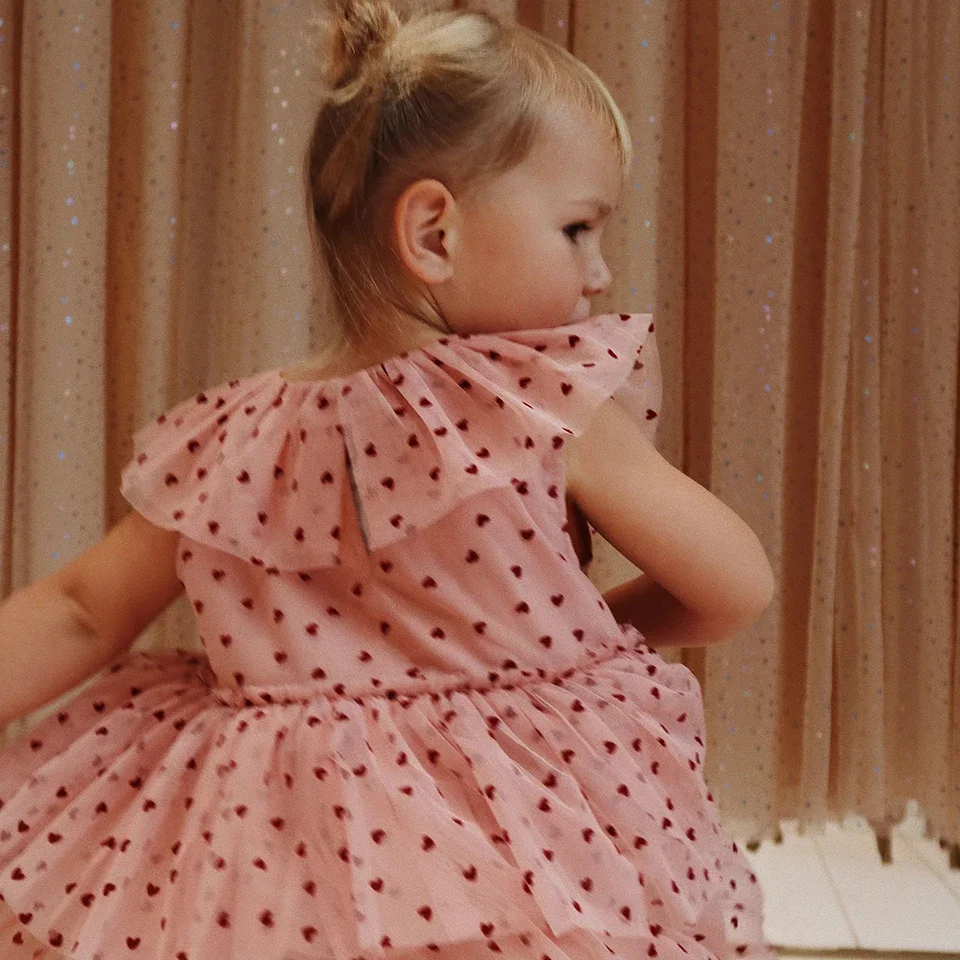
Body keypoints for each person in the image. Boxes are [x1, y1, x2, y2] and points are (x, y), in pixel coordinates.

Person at [0, 2, 779, 959]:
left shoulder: (236, 443)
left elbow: (81, 611)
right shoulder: (537, 406)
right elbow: (734, 586)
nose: (601, 273)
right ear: (433, 233)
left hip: (285, 858)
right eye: (577, 229)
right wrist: (581, 647)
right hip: (510, 855)